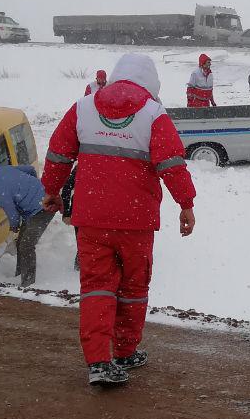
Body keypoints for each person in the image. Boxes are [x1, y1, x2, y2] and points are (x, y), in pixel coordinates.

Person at [41, 53, 196, 388]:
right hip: (136, 222)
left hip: (92, 218)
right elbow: (172, 163)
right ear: (151, 84)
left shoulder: (83, 108)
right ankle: (125, 351)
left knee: (96, 286)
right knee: (133, 287)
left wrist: (52, 190)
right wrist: (186, 204)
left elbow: (57, 153)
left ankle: (99, 361)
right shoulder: (154, 114)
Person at [0, 164, 53, 287]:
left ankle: (28, 283)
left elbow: (13, 216)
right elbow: (31, 169)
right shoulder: (2, 170)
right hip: (47, 196)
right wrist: (34, 187)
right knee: (21, 243)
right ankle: (20, 274)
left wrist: (14, 227)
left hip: (44, 209)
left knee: (26, 245)